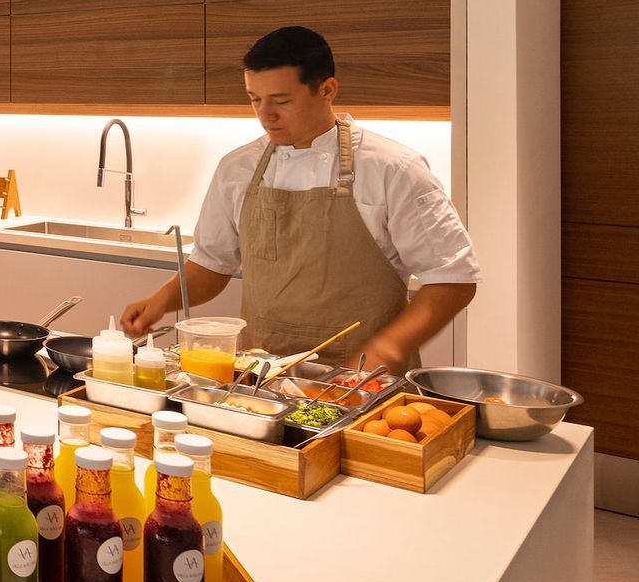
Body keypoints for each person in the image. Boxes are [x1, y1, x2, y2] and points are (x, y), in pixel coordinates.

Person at [121, 26, 478, 374]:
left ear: (327, 90)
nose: (265, 115)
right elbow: (213, 263)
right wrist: (161, 302)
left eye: (281, 101)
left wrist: (390, 347)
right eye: (255, 99)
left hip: (361, 382)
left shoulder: (393, 169)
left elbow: (452, 278)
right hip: (261, 378)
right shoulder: (237, 169)